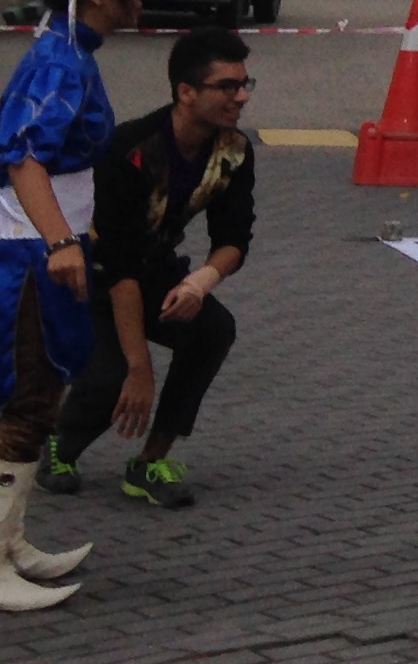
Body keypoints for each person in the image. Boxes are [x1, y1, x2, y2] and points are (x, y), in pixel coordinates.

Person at [0, 0, 138, 613]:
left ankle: (6, 544)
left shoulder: (68, 52)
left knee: (38, 399)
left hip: (40, 240)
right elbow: (24, 157)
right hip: (25, 249)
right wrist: (61, 241)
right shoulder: (60, 59)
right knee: (29, 404)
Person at [42, 28, 257, 510]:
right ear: (186, 92)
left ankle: (149, 462)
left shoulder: (233, 151)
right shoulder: (129, 150)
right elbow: (119, 269)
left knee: (213, 330)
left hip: (153, 270)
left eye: (245, 84)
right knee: (113, 379)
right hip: (93, 280)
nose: (241, 96)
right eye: (227, 86)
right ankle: (59, 447)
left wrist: (200, 283)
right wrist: (140, 370)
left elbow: (234, 238)